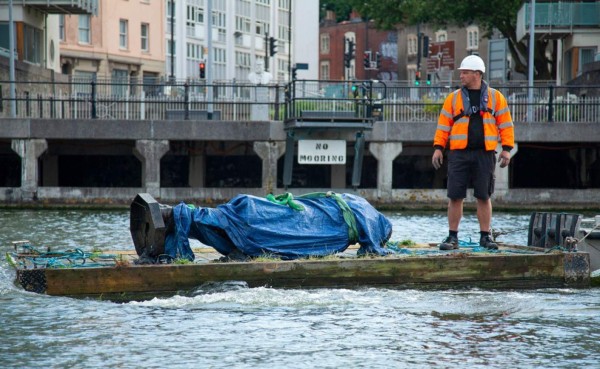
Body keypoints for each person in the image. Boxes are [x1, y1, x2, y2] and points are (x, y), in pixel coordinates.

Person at [431, 55, 515, 250]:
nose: (461, 75)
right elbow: (443, 126)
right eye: (461, 72)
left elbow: (506, 125)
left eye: (465, 72)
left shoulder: (496, 97)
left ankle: (485, 237)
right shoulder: (453, 99)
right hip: (459, 154)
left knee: (484, 196)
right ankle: (452, 237)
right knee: (455, 196)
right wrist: (438, 148)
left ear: (477, 74)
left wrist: (507, 150)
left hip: (484, 153)